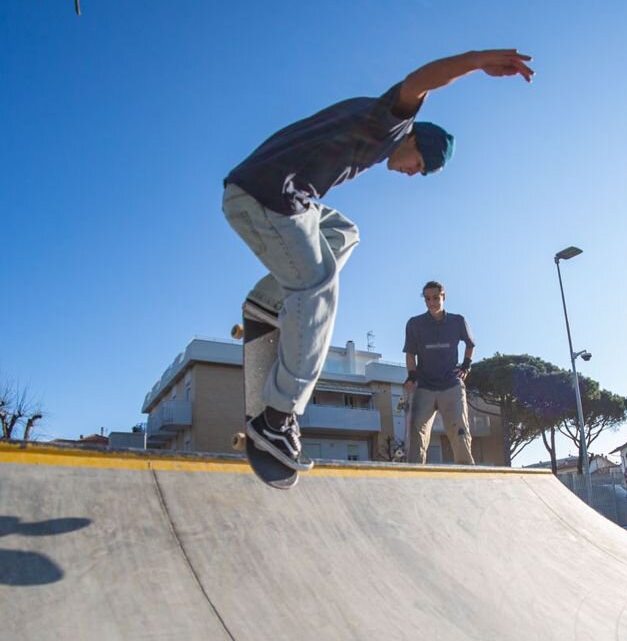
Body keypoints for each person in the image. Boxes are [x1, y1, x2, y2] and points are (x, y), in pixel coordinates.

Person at [222, 48, 534, 471]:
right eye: (419, 164)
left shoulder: (371, 129)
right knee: (318, 285)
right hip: (269, 198)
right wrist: (478, 61)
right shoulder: (389, 123)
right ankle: (277, 420)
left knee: (343, 233)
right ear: (413, 139)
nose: (412, 173)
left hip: (274, 194)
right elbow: (421, 80)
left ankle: (268, 302)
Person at [404, 281, 477, 464]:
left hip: (451, 385)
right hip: (424, 386)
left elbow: (470, 344)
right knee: (416, 434)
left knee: (460, 431)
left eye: (436, 298)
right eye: (427, 299)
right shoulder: (415, 324)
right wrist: (412, 376)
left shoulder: (457, 321)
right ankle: (414, 474)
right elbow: (410, 354)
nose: (432, 303)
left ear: (443, 297)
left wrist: (466, 366)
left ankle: (467, 473)